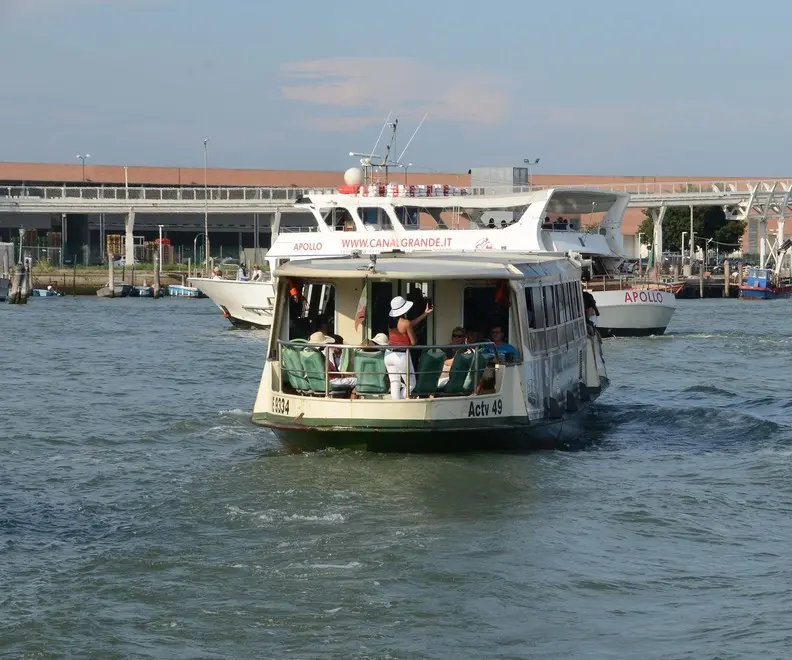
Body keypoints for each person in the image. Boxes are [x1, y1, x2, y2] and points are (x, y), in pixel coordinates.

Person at [384, 295, 432, 400]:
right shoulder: (406, 323)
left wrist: (424, 314)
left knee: (395, 383)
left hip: (388, 354)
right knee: (411, 384)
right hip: (401, 356)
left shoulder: (390, 322)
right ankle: (401, 403)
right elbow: (413, 342)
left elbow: (409, 324)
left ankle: (396, 406)